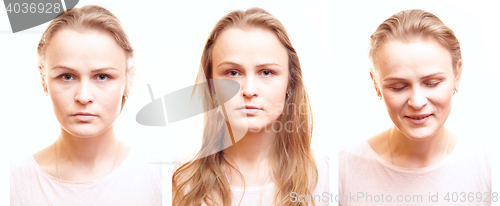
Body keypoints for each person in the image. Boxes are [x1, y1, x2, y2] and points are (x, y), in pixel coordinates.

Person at [172, 8, 329, 206]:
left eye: (266, 72)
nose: (248, 90)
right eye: (232, 73)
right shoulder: (176, 183)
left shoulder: (327, 178)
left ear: (290, 82)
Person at [10, 5, 161, 205]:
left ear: (128, 80)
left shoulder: (161, 176)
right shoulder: (13, 181)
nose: (83, 96)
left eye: (102, 76)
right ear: (43, 80)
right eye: (67, 76)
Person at [339, 9, 491, 205]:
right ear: (376, 84)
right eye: (398, 87)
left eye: (432, 83)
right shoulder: (342, 168)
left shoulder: (488, 168)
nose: (417, 102)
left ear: (457, 74)